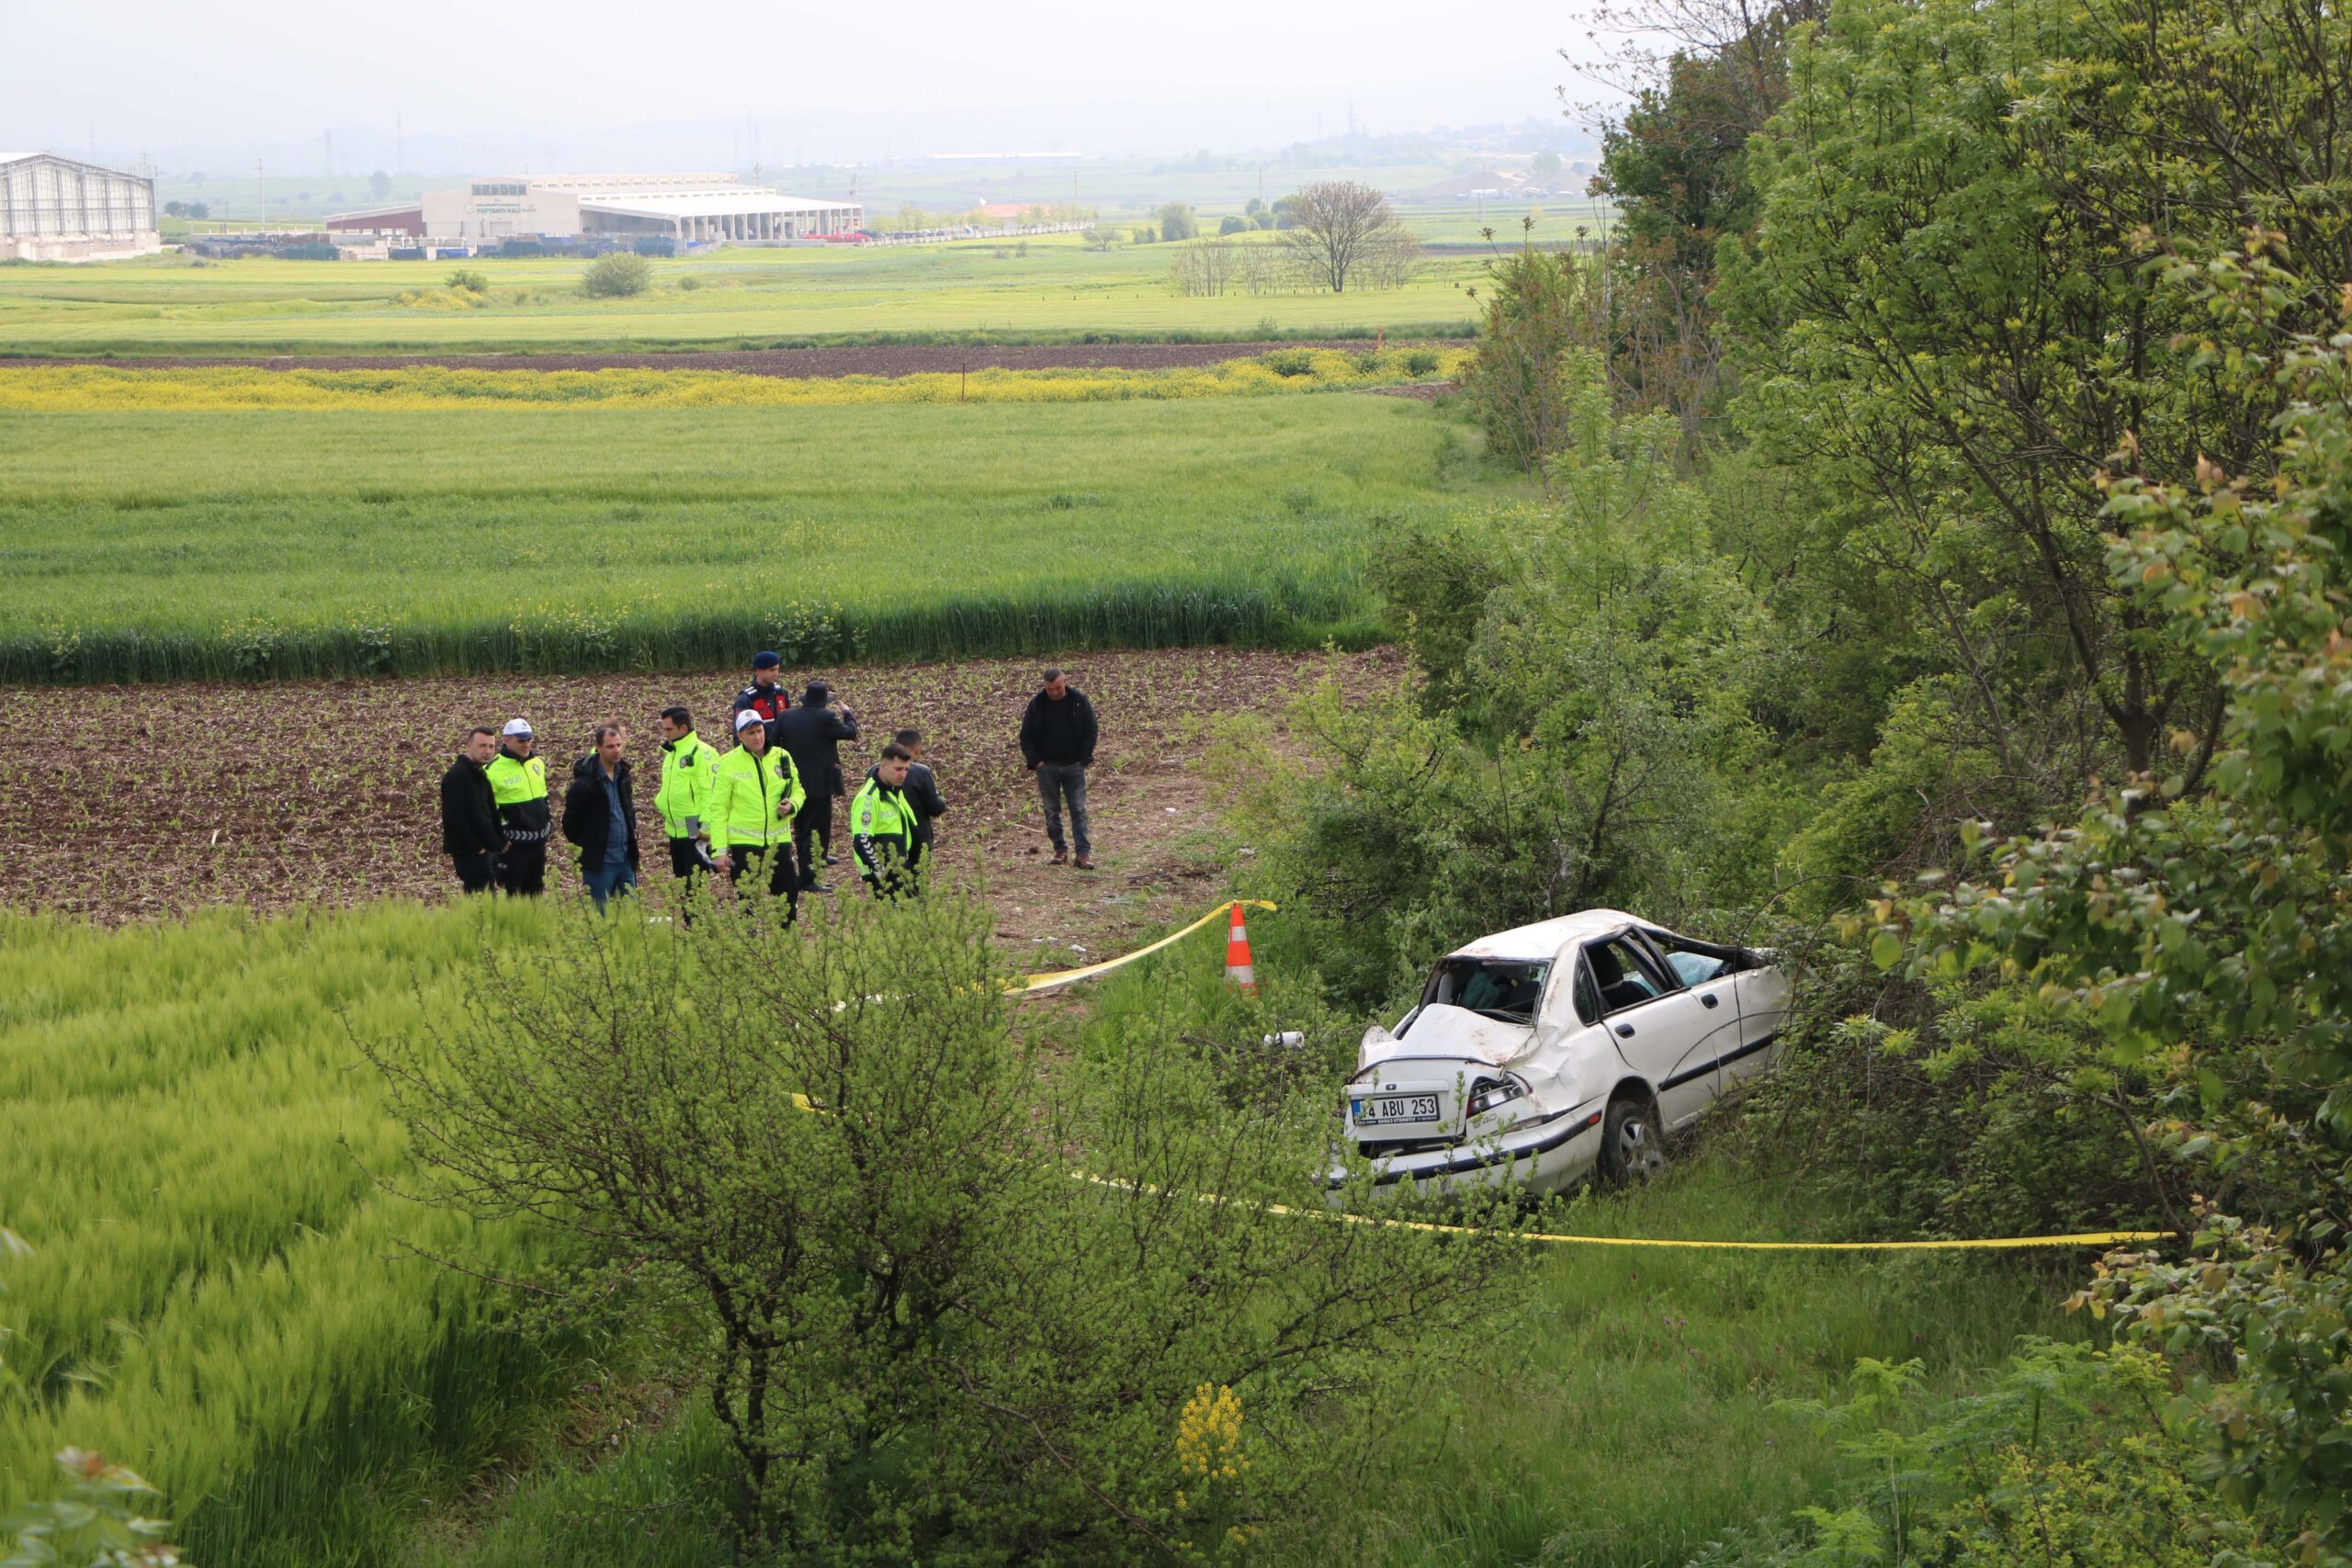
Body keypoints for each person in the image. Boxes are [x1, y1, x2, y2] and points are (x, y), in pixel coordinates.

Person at [708, 707, 807, 918]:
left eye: (759, 730)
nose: (757, 737)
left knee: (788, 897)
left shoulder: (782, 757)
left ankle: (787, 942)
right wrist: (719, 850)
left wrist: (792, 805)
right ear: (740, 736)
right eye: (750, 733)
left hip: (778, 841)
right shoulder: (727, 763)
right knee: (748, 902)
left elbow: (799, 790)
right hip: (745, 843)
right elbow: (718, 809)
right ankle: (750, 944)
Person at [775, 679, 860, 892]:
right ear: (824, 702)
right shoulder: (826, 717)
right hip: (819, 783)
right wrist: (848, 713)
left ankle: (814, 860)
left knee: (801, 827)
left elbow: (773, 743)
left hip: (794, 782)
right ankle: (807, 877)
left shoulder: (786, 716)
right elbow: (850, 732)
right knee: (817, 830)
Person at [1019, 667, 1098, 870]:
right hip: (1047, 768)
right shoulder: (1037, 704)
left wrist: (1084, 757)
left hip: (1074, 766)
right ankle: (1060, 850)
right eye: (1050, 689)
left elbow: (1091, 728)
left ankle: (1083, 855)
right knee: (1051, 812)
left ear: (1065, 682)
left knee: (1078, 810)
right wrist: (1036, 762)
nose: (1054, 692)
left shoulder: (1078, 700)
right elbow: (1025, 736)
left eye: (1058, 688)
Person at [561, 721, 641, 912]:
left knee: (631, 915)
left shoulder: (623, 776)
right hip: (600, 864)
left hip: (624, 860)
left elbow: (628, 811)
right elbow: (570, 823)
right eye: (610, 746)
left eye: (619, 745)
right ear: (598, 748)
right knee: (600, 916)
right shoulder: (584, 785)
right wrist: (589, 847)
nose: (616, 750)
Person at [484, 717, 552, 895]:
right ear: (506, 740)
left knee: (535, 894)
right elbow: (488, 810)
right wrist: (501, 838)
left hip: (538, 844)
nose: (526, 744)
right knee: (513, 895)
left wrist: (548, 822)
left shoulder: (537, 763)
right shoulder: (492, 770)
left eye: (529, 739)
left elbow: (544, 797)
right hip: (514, 848)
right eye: (521, 740)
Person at [653, 705, 717, 885]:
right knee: (683, 886)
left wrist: (706, 827)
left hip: (695, 830)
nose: (665, 734)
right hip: (675, 831)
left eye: (669, 729)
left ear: (683, 728)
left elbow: (711, 792)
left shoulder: (701, 753)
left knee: (695, 888)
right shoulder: (672, 754)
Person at [850, 744, 922, 899]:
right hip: (884, 878)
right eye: (898, 769)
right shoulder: (869, 798)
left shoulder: (895, 792)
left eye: (906, 770)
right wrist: (882, 872)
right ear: (883, 766)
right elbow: (862, 841)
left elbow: (911, 832)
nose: (903, 775)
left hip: (903, 872)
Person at [439, 726, 502, 895]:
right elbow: (453, 818)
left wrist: (498, 841)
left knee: (488, 903)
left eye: (491, 746)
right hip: (471, 854)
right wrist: (476, 849)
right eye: (482, 746)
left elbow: (490, 811)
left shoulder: (479, 773)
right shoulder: (457, 776)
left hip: (485, 852)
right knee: (480, 906)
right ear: (469, 745)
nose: (488, 751)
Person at [895, 728, 948, 859]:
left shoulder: (876, 771)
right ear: (918, 748)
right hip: (917, 841)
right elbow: (935, 808)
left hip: (888, 840)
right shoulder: (920, 772)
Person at [729, 650, 791, 740]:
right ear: (759, 670)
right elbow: (739, 735)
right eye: (772, 670)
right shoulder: (746, 699)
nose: (776, 674)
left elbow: (789, 723)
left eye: (778, 669)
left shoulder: (781, 693)